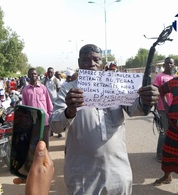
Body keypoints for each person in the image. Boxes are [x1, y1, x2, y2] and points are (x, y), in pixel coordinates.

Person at [49, 44, 159, 194]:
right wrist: (69, 110)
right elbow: (56, 126)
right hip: (82, 174)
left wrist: (147, 100)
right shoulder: (68, 89)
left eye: (96, 60)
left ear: (101, 63)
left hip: (118, 171)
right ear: (79, 62)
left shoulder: (115, 84)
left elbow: (135, 109)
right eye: (86, 60)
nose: (91, 64)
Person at [153, 75, 178, 186]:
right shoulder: (174, 82)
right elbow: (160, 90)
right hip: (174, 122)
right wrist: (166, 105)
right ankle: (167, 176)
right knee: (167, 150)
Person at [22, 68, 53, 149]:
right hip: (33, 122)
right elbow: (24, 107)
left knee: (45, 144)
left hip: (44, 121)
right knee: (34, 144)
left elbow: (48, 103)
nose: (33, 76)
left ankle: (46, 161)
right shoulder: (25, 90)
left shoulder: (43, 88)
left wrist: (51, 116)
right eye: (31, 74)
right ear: (28, 76)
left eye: (35, 74)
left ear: (37, 75)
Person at [153, 57, 174, 162]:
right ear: (164, 65)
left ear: (173, 65)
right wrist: (165, 104)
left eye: (171, 63)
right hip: (163, 108)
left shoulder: (174, 77)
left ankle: (169, 153)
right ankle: (160, 154)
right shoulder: (159, 77)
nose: (169, 65)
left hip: (174, 109)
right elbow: (157, 91)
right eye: (167, 63)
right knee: (164, 131)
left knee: (172, 132)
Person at [42, 67, 61, 138]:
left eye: (51, 72)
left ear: (53, 73)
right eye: (49, 72)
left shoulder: (56, 80)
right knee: (49, 117)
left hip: (55, 101)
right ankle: (51, 132)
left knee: (56, 116)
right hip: (46, 102)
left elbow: (59, 90)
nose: (50, 73)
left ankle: (59, 132)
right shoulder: (44, 80)